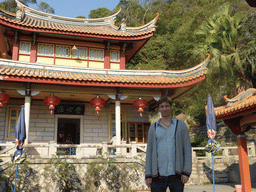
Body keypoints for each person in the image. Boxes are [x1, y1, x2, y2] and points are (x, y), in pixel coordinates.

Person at [145, 96, 192, 192]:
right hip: (157, 175)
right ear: (159, 109)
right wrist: (148, 175)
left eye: (167, 106)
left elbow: (187, 150)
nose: (164, 109)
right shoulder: (153, 128)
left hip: (177, 174)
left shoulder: (181, 126)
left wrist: (186, 172)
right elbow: (149, 152)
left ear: (171, 107)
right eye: (162, 106)